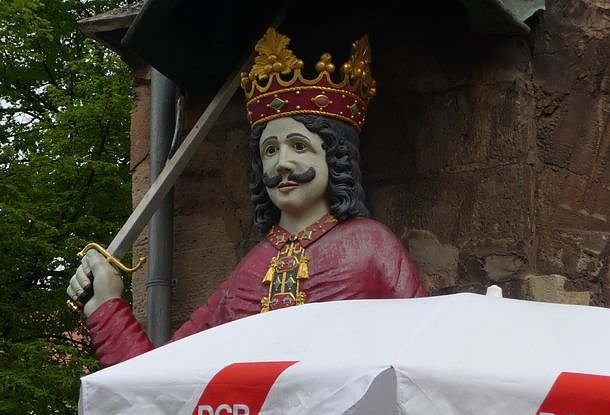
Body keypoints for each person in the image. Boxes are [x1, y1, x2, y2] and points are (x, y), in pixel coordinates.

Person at [67, 27, 427, 367]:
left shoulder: (372, 245)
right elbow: (161, 381)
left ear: (335, 157)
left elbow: (430, 351)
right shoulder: (249, 272)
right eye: (270, 150)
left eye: (299, 146)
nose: (282, 163)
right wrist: (106, 306)